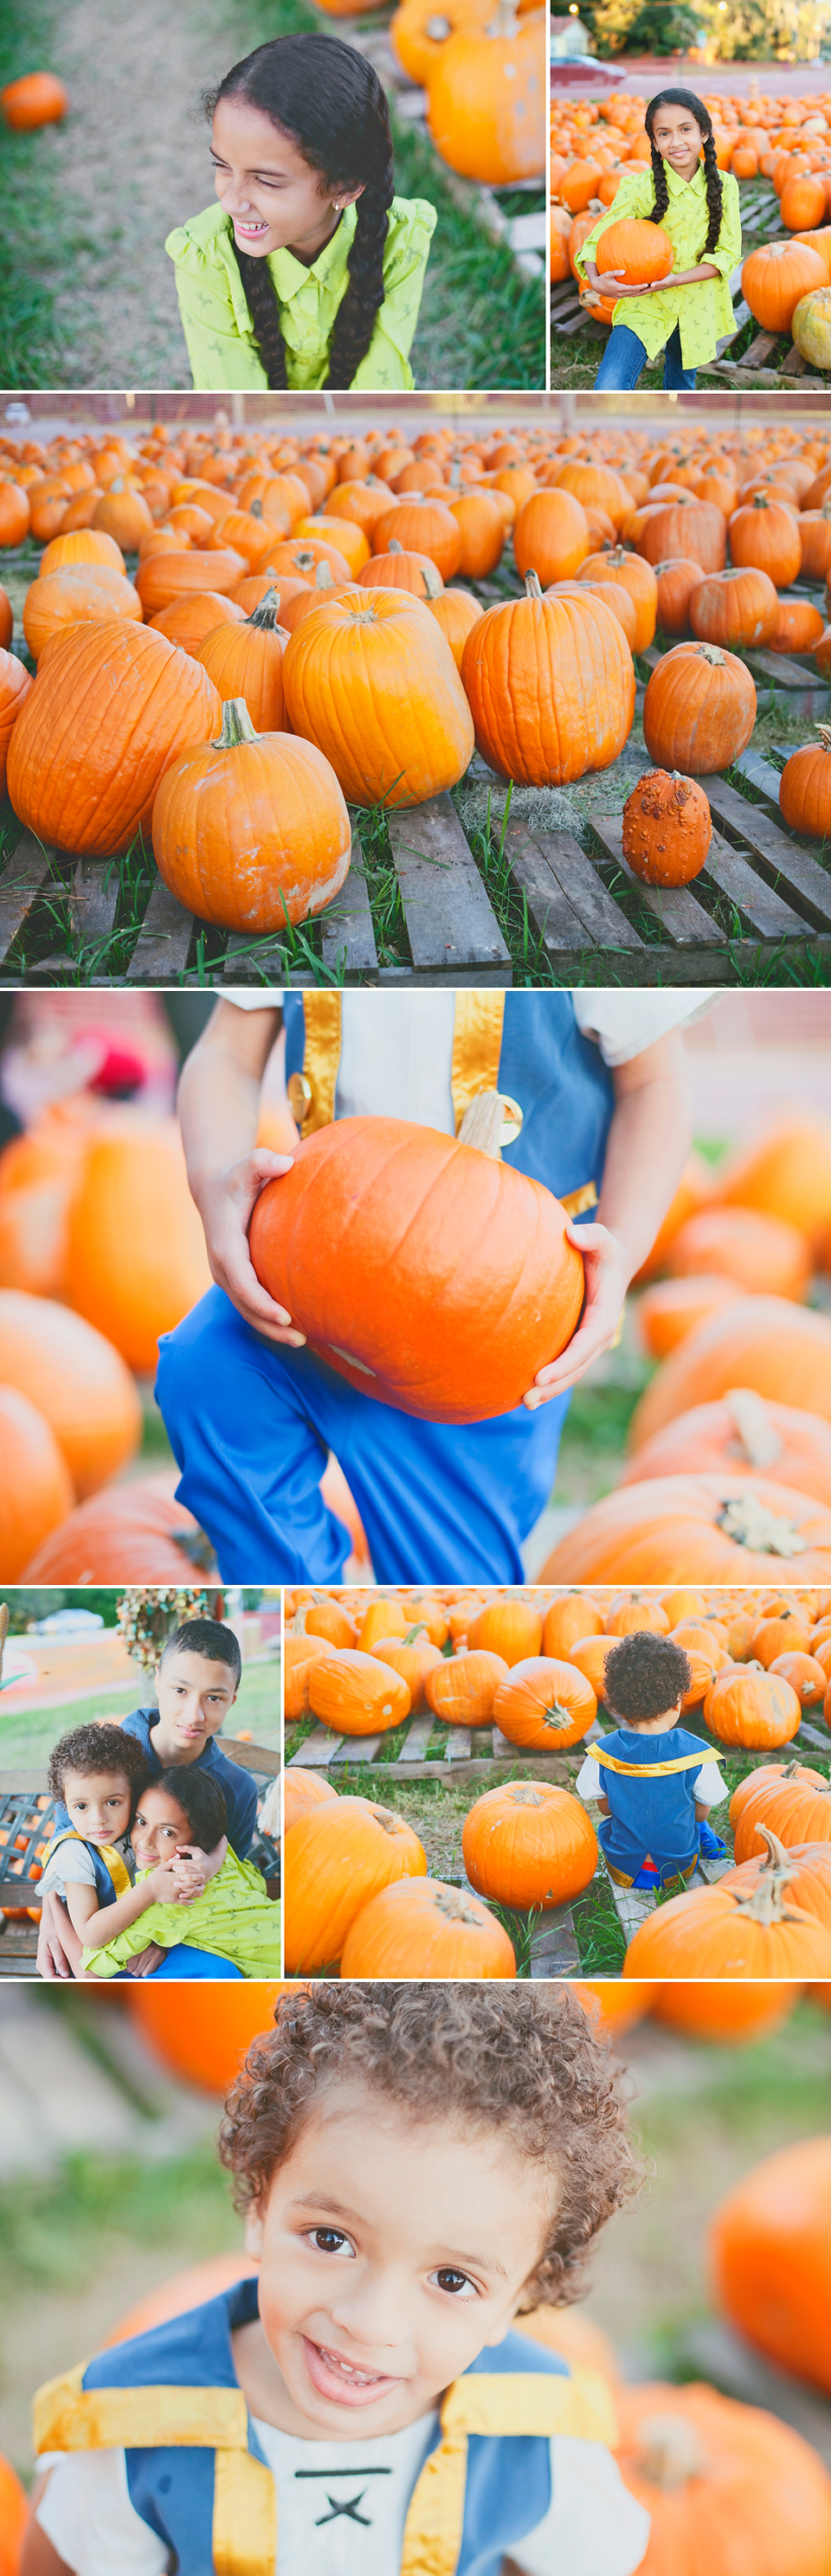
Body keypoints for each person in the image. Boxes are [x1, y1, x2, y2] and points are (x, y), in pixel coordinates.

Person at [26, 1983, 650, 2576]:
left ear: (521, 2297)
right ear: (260, 2206)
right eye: (332, 2240)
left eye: (453, 2281)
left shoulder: (539, 2436)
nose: (370, 2323)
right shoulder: (134, 2426)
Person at [157, 989, 716, 1584]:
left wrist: (623, 1247)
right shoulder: (300, 900)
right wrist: (212, 1178)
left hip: (490, 1314)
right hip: (313, 1269)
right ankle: (299, 1605)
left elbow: (654, 1083)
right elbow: (227, 1053)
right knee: (209, 1371)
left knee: (447, 1600)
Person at [165, 35, 435, 393]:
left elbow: (380, 389)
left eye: (265, 181)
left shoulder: (402, 241)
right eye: (222, 165)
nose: (230, 203)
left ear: (347, 186)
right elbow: (237, 405)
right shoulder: (205, 258)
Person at [36, 1617, 257, 1980]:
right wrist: (50, 1917)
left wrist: (163, 1936)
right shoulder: (103, 1762)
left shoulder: (236, 1790)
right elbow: (66, 1843)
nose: (194, 1714)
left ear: (232, 1698)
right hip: (93, 1922)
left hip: (180, 1934)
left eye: (213, 1697)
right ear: (157, 1681)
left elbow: (221, 1874)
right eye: (179, 1690)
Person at [575, 89, 741, 392]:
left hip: (695, 302)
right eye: (664, 133)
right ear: (653, 142)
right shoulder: (640, 187)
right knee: (609, 387)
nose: (676, 142)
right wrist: (597, 282)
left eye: (685, 129)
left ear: (704, 133)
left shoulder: (725, 186)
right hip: (645, 301)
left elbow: (727, 254)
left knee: (681, 387)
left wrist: (676, 279)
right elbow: (599, 234)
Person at [81, 1770, 279, 1982]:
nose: (145, 1841)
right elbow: (229, 1848)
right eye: (142, 1821)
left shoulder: (172, 1896)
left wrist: (56, 1904)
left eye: (167, 1833)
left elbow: (91, 1969)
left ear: (198, 1841)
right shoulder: (219, 1859)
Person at [575, 1631, 728, 1891]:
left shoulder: (603, 1753)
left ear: (621, 1708)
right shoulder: (698, 1754)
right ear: (678, 1701)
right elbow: (701, 1812)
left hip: (624, 1867)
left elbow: (605, 1809)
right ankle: (709, 1844)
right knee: (700, 1824)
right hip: (677, 1867)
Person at [35, 1725, 155, 1961]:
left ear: (134, 1795)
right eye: (81, 1806)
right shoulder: (73, 1853)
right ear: (65, 1806)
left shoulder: (143, 1833)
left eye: (112, 1802)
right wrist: (150, 1892)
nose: (98, 1820)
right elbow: (90, 1935)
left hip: (146, 1946)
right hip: (99, 1959)